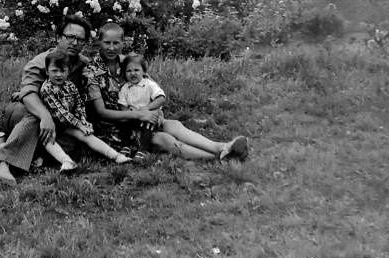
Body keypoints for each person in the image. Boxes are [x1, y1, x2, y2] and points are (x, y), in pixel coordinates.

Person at [84, 22, 248, 162]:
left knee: (174, 125)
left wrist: (154, 111)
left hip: (144, 117)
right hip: (117, 129)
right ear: (99, 42)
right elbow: (101, 112)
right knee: (165, 140)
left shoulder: (128, 62)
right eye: (107, 43)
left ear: (122, 43)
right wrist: (138, 115)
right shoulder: (91, 71)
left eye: (116, 43)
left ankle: (221, 147)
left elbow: (149, 86)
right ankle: (219, 157)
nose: (112, 48)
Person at [0, 15, 92, 185]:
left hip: (58, 116)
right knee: (37, 120)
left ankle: (6, 148)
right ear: (58, 38)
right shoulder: (40, 62)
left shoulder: (82, 64)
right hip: (26, 112)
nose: (74, 43)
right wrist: (45, 116)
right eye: (70, 37)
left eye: (80, 39)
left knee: (71, 144)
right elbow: (28, 94)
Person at [39, 49, 131, 172]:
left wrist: (83, 121)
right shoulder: (47, 89)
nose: (59, 75)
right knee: (48, 140)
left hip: (68, 125)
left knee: (87, 135)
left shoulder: (70, 85)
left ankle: (116, 156)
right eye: (54, 71)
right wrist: (79, 125)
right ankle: (66, 161)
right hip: (53, 124)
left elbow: (79, 104)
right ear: (47, 71)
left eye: (63, 71)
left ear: (69, 70)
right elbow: (61, 113)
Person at [117, 53, 166, 160]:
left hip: (149, 116)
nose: (132, 73)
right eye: (128, 71)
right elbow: (122, 106)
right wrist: (129, 114)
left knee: (148, 123)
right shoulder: (125, 88)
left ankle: (142, 149)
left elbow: (161, 98)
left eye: (136, 70)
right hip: (134, 116)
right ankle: (126, 146)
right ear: (124, 73)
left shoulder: (149, 84)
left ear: (143, 71)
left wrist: (147, 108)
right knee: (122, 122)